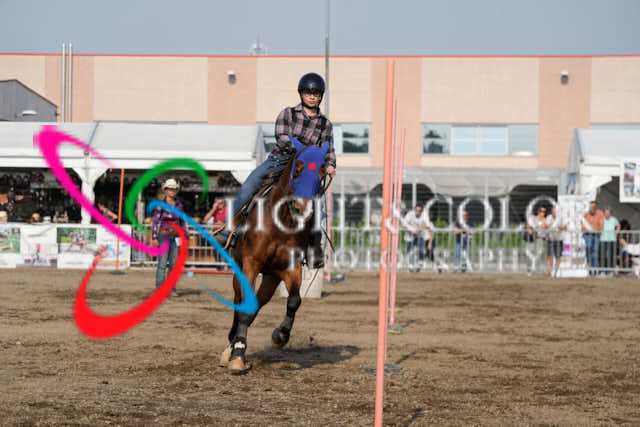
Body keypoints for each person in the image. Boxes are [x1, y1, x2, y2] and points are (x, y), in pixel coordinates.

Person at [220, 72, 336, 268]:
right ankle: (229, 230)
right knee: (249, 186)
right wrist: (303, 151)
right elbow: (281, 137)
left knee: (318, 207)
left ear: (321, 96)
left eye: (316, 94)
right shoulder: (287, 114)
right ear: (301, 94)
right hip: (280, 161)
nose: (312, 97)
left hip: (307, 171)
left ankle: (314, 248)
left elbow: (329, 148)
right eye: (308, 93)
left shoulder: (325, 124)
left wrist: (331, 164)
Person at [151, 179, 185, 295]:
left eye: (174, 189)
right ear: (165, 190)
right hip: (163, 234)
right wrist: (154, 237)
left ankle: (171, 288)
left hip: (175, 236)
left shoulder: (179, 205)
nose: (172, 191)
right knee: (162, 263)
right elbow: (155, 221)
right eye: (170, 189)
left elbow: (182, 222)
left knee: (173, 264)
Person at [402, 205, 428, 272]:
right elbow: (404, 224)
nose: (418, 212)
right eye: (416, 210)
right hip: (409, 236)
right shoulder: (409, 214)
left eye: (420, 211)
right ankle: (411, 266)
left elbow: (427, 225)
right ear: (414, 210)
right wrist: (412, 230)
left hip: (420, 235)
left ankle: (420, 263)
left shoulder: (424, 215)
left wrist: (418, 230)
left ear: (422, 211)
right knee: (410, 251)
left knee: (421, 250)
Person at [582, 200, 604, 276]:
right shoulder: (585, 214)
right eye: (591, 207)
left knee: (595, 252)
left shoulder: (600, 213)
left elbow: (601, 224)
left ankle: (594, 270)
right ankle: (589, 265)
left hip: (596, 235)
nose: (592, 208)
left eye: (594, 207)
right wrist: (586, 229)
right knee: (588, 248)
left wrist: (599, 230)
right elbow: (583, 225)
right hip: (587, 235)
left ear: (596, 207)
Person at [545, 206, 567, 277]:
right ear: (551, 212)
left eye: (555, 211)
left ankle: (556, 272)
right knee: (549, 256)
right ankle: (549, 271)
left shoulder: (561, 218)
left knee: (558, 257)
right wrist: (550, 225)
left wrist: (560, 227)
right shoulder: (548, 217)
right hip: (550, 239)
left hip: (559, 240)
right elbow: (545, 226)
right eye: (553, 211)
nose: (554, 213)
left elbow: (565, 227)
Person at [526, 206, 547, 276]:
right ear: (538, 212)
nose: (543, 213)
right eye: (541, 211)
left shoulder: (545, 220)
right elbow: (528, 225)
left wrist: (541, 224)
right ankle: (530, 268)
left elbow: (545, 226)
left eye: (544, 212)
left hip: (540, 238)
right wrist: (529, 229)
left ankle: (533, 268)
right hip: (532, 238)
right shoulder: (533, 218)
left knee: (539, 253)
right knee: (528, 252)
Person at [599, 207, 620, 276]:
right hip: (603, 239)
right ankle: (602, 271)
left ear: (610, 213)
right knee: (602, 256)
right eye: (605, 213)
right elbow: (599, 226)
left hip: (612, 240)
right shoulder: (602, 219)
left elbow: (618, 225)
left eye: (608, 213)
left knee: (611, 256)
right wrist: (600, 232)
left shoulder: (614, 219)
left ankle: (611, 271)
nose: (606, 214)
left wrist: (616, 232)